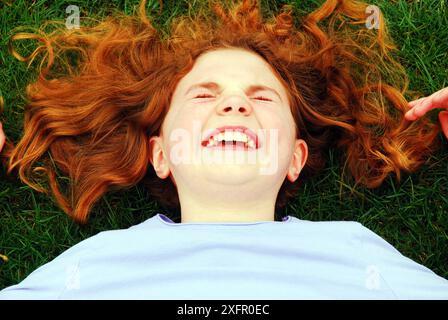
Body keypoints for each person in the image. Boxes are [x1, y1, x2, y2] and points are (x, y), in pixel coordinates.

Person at [0, 0, 447, 299]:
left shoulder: (358, 252)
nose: (234, 103)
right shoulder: (90, 264)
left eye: (263, 97)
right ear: (160, 156)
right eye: (202, 95)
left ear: (294, 158)